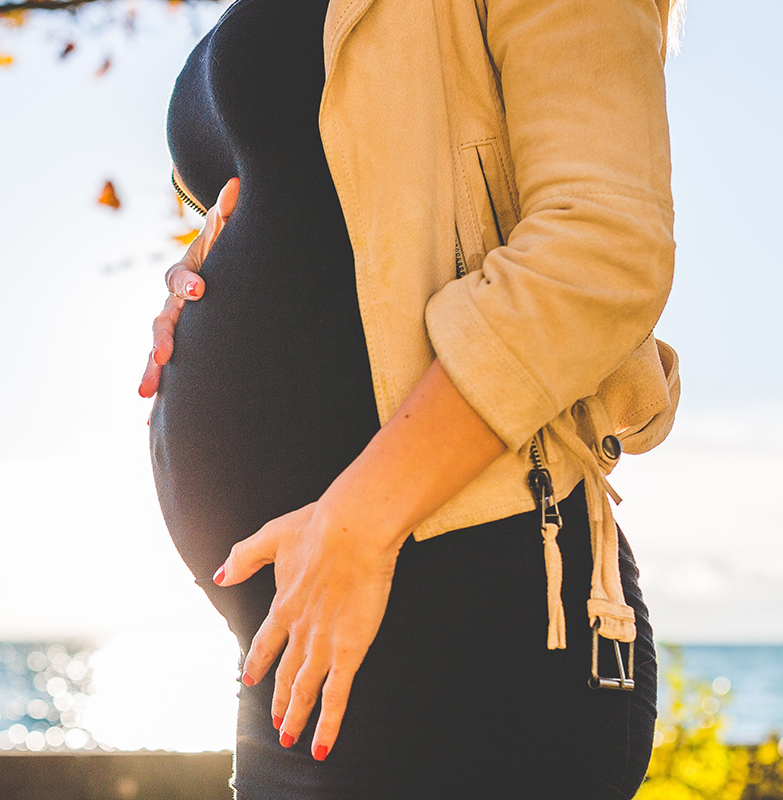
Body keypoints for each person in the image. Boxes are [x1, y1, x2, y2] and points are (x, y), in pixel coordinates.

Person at [139, 0, 683, 796]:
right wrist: (200, 272)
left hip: (469, 636)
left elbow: (602, 244)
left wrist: (360, 523)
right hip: (300, 645)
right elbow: (328, 201)